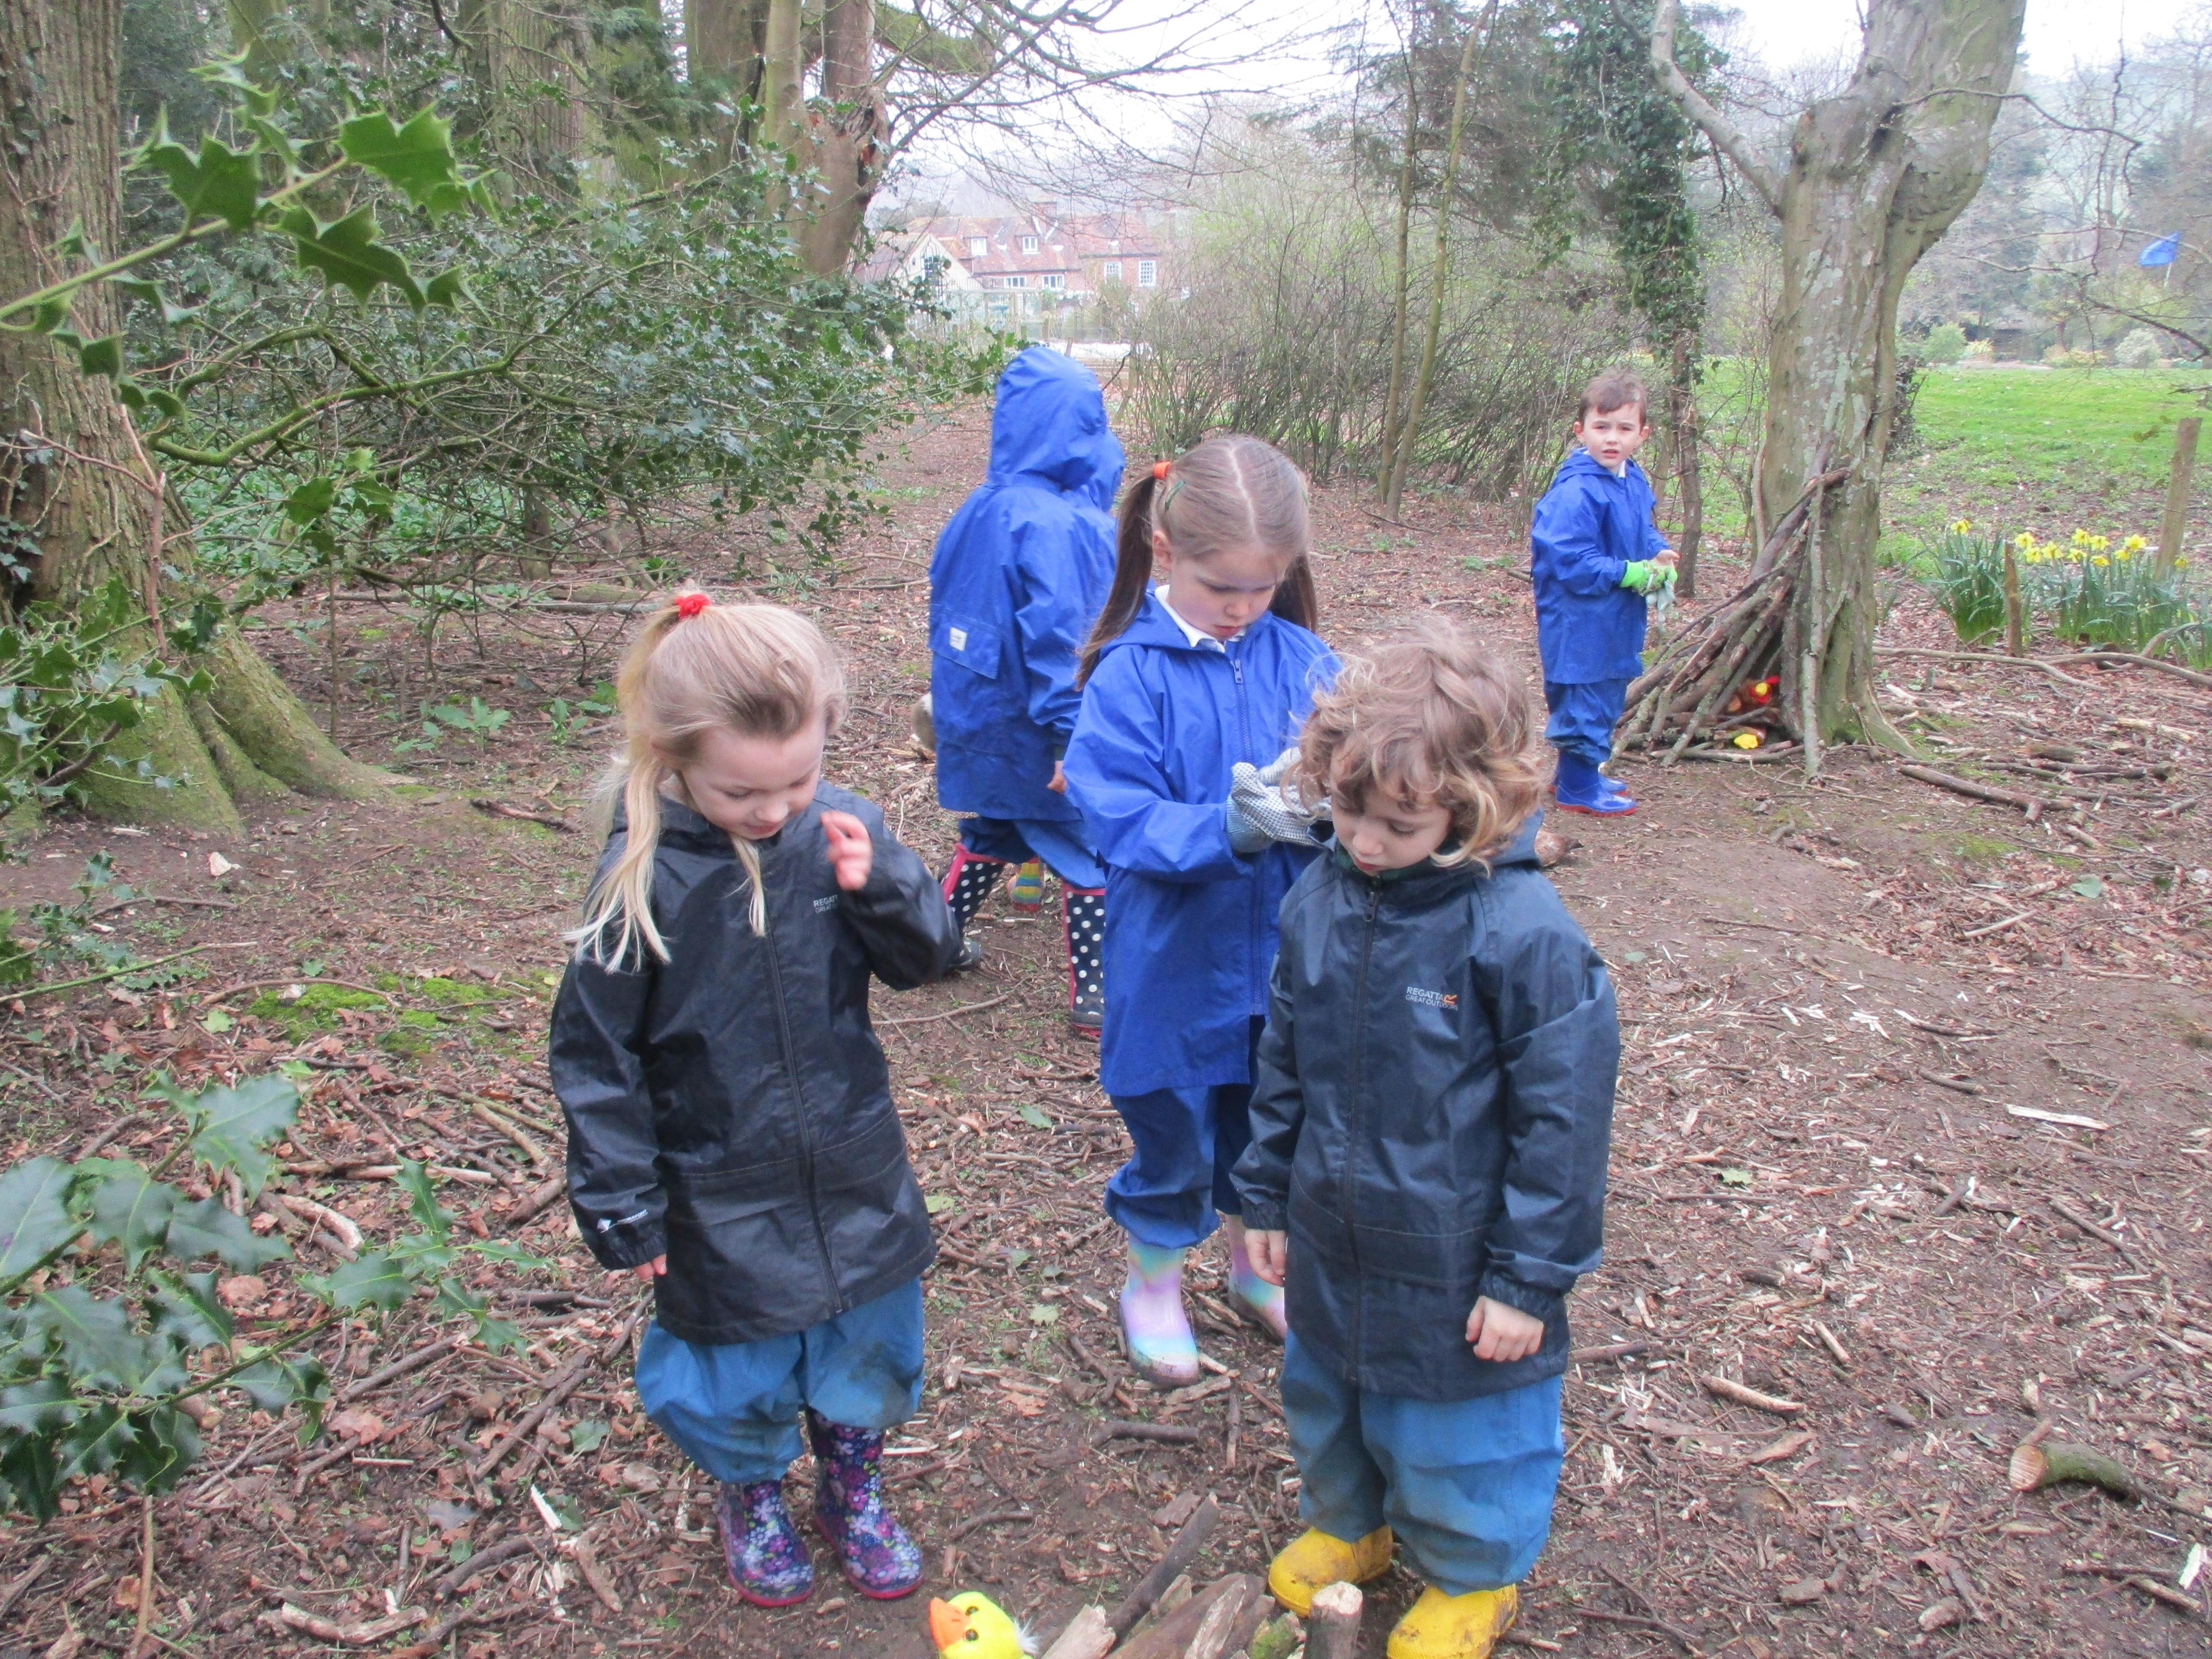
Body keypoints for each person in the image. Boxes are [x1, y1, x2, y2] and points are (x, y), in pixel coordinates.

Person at [550, 595, 960, 1609]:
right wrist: (621, 1198)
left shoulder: (841, 827)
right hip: (714, 1180)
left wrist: (883, 882)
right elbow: (596, 1053)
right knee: (731, 1365)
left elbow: (928, 960)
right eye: (741, 792)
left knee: (868, 1339)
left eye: (798, 782)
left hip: (851, 1158)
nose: (775, 811)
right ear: (674, 757)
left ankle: (851, 1485)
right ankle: (751, 1492)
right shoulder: (641, 877)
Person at [1234, 620, 1617, 1659]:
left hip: (1458, 1254)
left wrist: (1528, 1280)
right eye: (1347, 811)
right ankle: (1351, 1523)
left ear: (1474, 804)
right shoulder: (1321, 895)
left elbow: (1565, 1122)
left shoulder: (1523, 933)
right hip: (1333, 1225)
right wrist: (1264, 1193)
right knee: (1328, 1394)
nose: (1363, 842)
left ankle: (1472, 1572)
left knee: (1462, 1429)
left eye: (1398, 826)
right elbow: (1283, 1055)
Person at [1061, 434, 1337, 1386]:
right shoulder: (1129, 674)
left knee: (1271, 1122)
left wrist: (1337, 809)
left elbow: (1354, 769)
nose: (1242, 607)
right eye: (1223, 586)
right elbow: (1114, 813)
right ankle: (1152, 1283)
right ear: (1165, 550)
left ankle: (1252, 1267)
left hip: (1286, 959)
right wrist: (1227, 828)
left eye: (1263, 587)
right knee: (1173, 1130)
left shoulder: (1309, 663)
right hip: (1173, 959)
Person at [929, 345, 1125, 1032]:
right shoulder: (1058, 526)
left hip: (975, 715)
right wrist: (1076, 737)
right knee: (1086, 849)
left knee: (992, 826)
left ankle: (929, 944)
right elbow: (1064, 641)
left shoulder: (980, 507)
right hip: (1033, 731)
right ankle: (1097, 996)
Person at [1529, 368, 1678, 817]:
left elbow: (1640, 529)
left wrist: (1656, 551)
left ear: (1642, 434)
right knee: (1583, 694)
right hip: (1578, 617)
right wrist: (1627, 573)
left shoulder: (1631, 479)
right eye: (1602, 427)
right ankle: (1578, 787)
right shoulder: (1576, 491)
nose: (1612, 438)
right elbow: (1568, 560)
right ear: (1581, 430)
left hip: (1616, 613)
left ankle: (1574, 775)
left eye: (1624, 429)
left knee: (1608, 689)